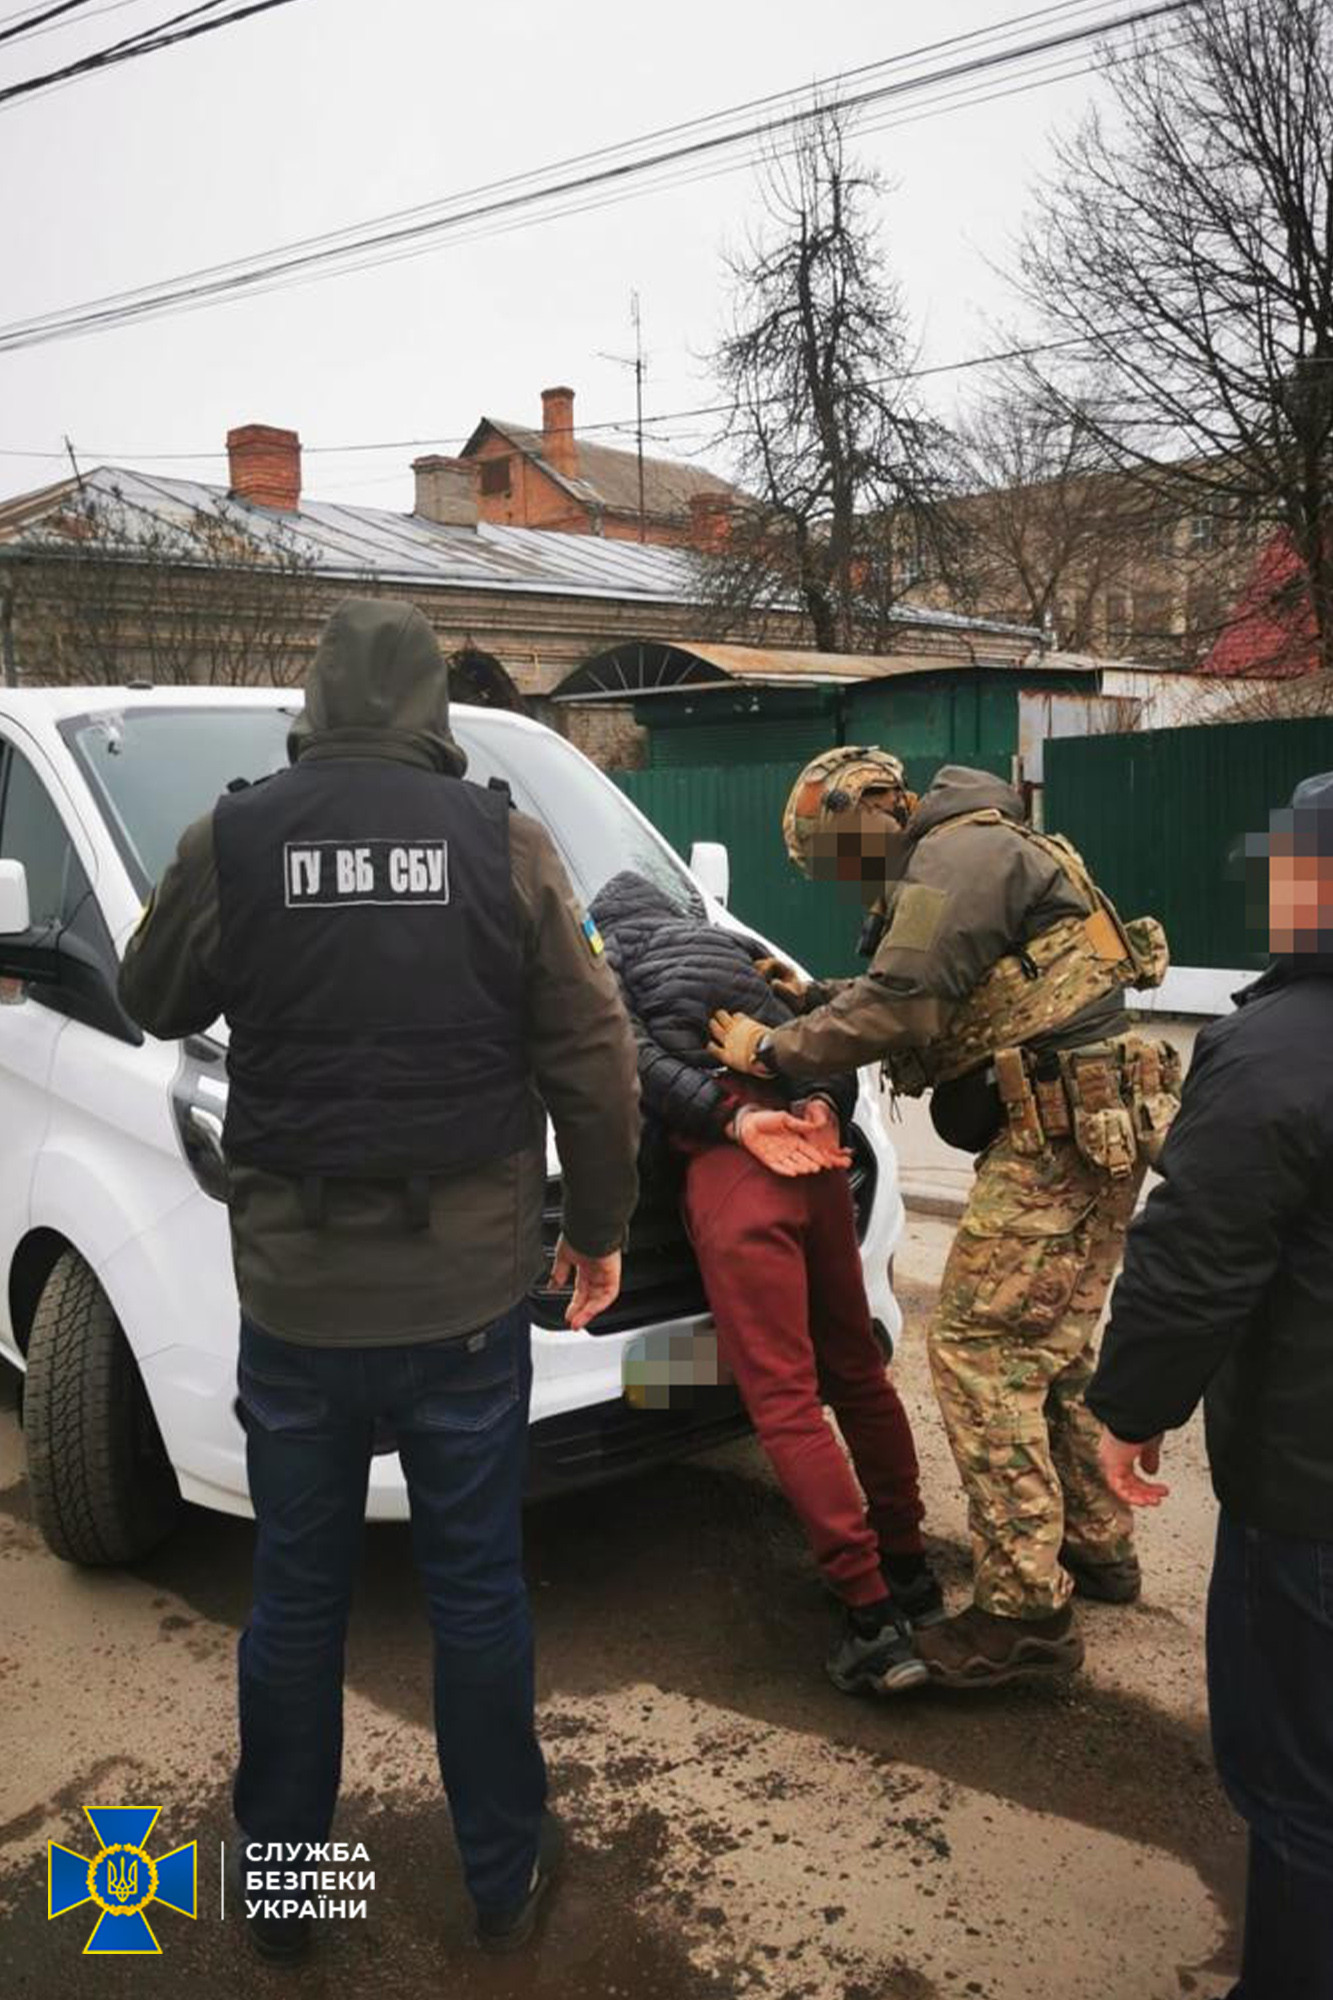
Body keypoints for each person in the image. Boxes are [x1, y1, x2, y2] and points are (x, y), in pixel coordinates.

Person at [119, 598, 640, 1960]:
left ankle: (286, 1903)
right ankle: (500, 1879)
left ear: (312, 696)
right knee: (476, 1594)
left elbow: (151, 996)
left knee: (295, 1599)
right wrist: (597, 1228)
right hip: (467, 1306)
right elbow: (596, 1059)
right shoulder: (507, 844)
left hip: (295, 1304)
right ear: (433, 711)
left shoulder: (231, 839)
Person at [707, 748, 1179, 1690]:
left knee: (977, 1348)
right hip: (1090, 1122)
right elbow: (951, 987)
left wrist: (772, 1043)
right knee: (1052, 1346)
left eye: (838, 856)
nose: (846, 879)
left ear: (872, 813)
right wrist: (815, 996)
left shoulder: (950, 860)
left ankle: (1022, 1617)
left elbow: (906, 1009)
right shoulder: (979, 846)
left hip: (1053, 1132)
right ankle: (1092, 1544)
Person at [1088, 772, 1333, 2000]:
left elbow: (1191, 1263)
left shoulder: (1279, 1047)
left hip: (1308, 1494)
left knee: (1297, 1776)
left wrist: (1128, 1412)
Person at [589, 870, 940, 1695]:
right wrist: (820, 1104)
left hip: (735, 1176)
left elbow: (626, 1060)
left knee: (782, 1402)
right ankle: (912, 1572)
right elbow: (823, 1037)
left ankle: (869, 1619)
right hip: (816, 1166)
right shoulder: (736, 950)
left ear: (603, 927)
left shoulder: (608, 965)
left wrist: (729, 1119)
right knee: (856, 1374)